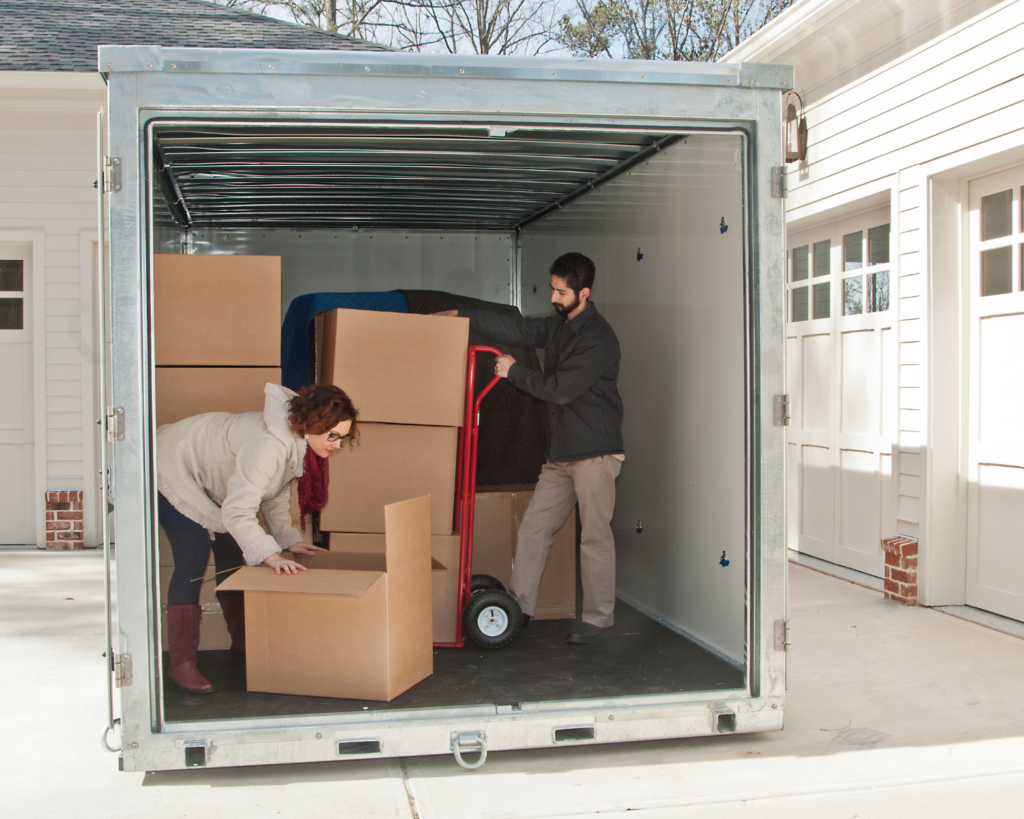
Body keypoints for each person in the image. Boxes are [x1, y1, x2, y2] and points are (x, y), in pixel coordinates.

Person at [436, 252, 624, 644]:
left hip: (594, 453)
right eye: (553, 288)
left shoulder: (598, 339)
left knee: (594, 539)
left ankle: (599, 623)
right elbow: (518, 329)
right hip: (561, 455)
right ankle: (518, 611)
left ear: (584, 292)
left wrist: (513, 371)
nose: (554, 297)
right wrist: (461, 315)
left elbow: (560, 390)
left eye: (561, 291)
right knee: (534, 529)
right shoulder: (560, 326)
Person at [156, 383, 358, 693]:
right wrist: (270, 554)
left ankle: (244, 642)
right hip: (172, 467)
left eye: (343, 437)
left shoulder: (295, 439)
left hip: (210, 484)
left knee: (233, 559)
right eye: (333, 435)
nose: (338, 445)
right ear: (314, 424)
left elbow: (272, 491)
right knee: (193, 558)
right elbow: (238, 511)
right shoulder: (268, 444)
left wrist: (287, 539)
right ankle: (181, 662)